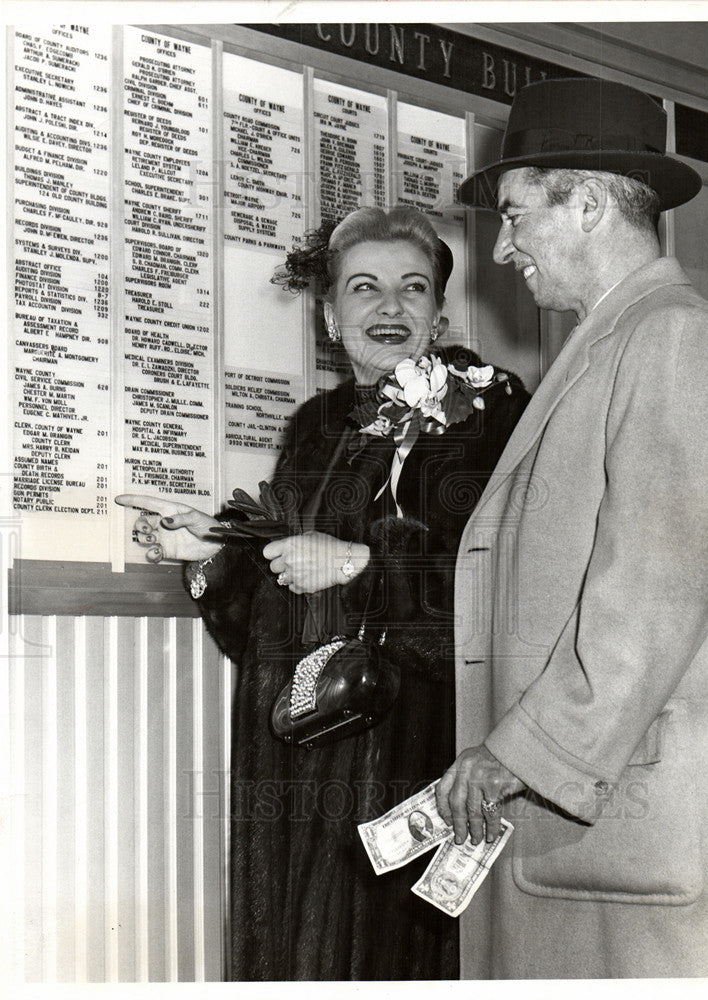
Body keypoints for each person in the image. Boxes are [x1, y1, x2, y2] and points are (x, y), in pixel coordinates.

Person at [116, 205, 529, 981]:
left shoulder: (486, 409)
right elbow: (268, 616)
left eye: (413, 288)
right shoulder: (316, 424)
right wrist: (208, 552)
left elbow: (508, 585)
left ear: (439, 313)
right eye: (364, 288)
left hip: (414, 753)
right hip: (293, 760)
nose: (390, 307)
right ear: (331, 314)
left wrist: (359, 568)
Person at [435, 78, 708, 979]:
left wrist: (515, 753)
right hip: (600, 832)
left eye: (515, 215)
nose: (502, 247)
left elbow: (645, 600)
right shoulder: (615, 341)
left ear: (588, 204)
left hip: (637, 846)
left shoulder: (672, 343)